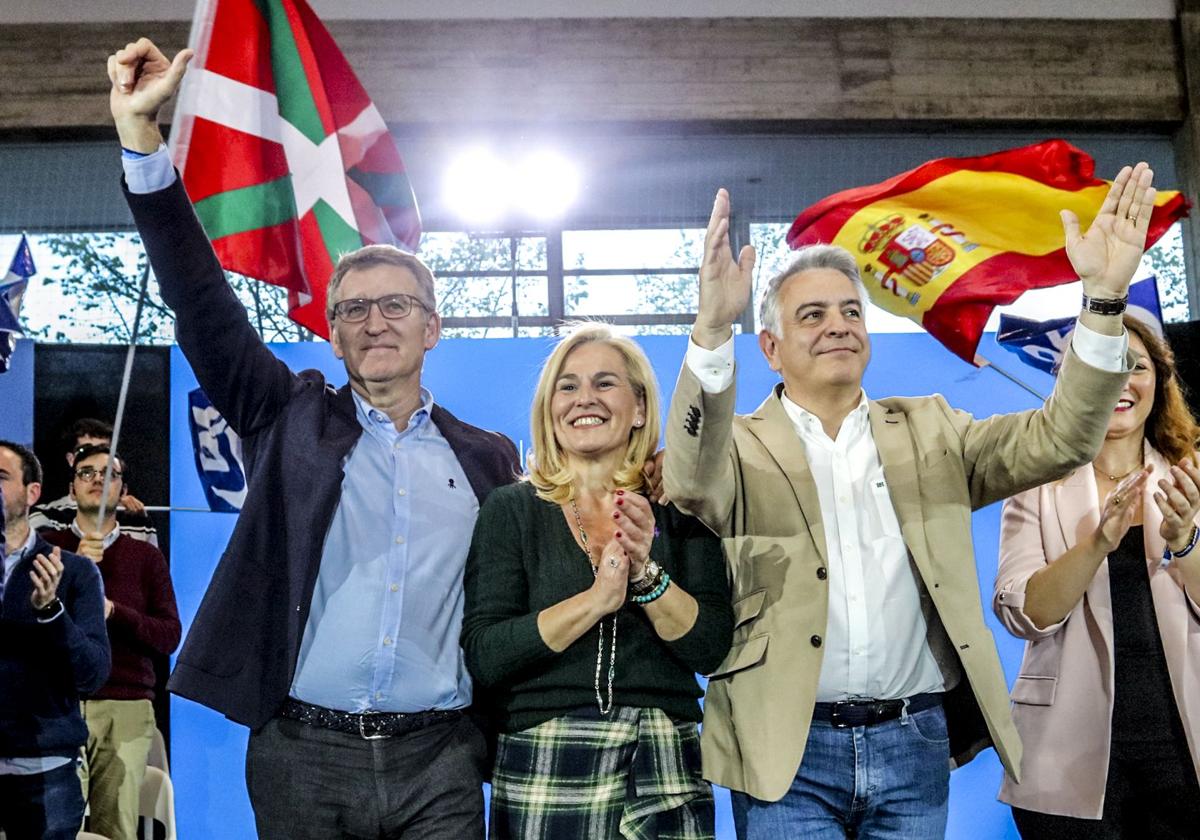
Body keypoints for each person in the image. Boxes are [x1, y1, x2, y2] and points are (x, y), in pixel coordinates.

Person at [663, 163, 1155, 838]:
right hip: (786, 747)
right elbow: (688, 479)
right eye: (813, 316)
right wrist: (713, 330)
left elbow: (1063, 438)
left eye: (849, 312)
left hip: (914, 744)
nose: (837, 326)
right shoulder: (740, 448)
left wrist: (1101, 297)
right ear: (771, 349)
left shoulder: (933, 428)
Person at [107, 38, 520, 839]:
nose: (375, 322)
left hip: (441, 757)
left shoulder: (488, 458)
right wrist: (142, 144)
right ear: (332, 337)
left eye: (396, 305)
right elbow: (201, 301)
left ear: (433, 326)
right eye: (354, 310)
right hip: (302, 752)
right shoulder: (287, 415)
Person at [461, 323, 733, 839]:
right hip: (545, 752)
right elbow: (486, 652)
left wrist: (646, 577)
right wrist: (596, 600)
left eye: (605, 383)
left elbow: (710, 648)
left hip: (664, 755)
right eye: (568, 386)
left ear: (640, 409)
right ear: (550, 411)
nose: (585, 398)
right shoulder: (512, 510)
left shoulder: (680, 507)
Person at [993, 315, 1200, 838]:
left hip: (1186, 751)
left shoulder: (1193, 473)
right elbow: (1026, 614)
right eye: (1101, 366)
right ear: (1073, 381)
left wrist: (1185, 541)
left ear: (1160, 378)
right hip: (1065, 754)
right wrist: (1097, 544)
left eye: (1136, 365)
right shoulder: (1034, 482)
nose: (1121, 381)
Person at [40, 443, 182, 840]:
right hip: (55, 704)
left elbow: (169, 635)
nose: (97, 479)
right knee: (53, 826)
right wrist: (75, 580)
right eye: (87, 472)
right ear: (72, 486)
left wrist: (115, 611)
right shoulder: (48, 549)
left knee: (116, 828)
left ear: (122, 490)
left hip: (126, 704)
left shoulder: (145, 556)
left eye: (109, 474)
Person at [0, 440, 110, 840]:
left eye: (1, 478)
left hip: (46, 773)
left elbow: (93, 673)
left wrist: (51, 613)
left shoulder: (73, 572)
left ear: (33, 493)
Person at [29, 418, 159, 546]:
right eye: (86, 451)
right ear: (70, 459)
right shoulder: (45, 515)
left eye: (105, 450)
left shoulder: (136, 519)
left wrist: (138, 517)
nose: (98, 478)